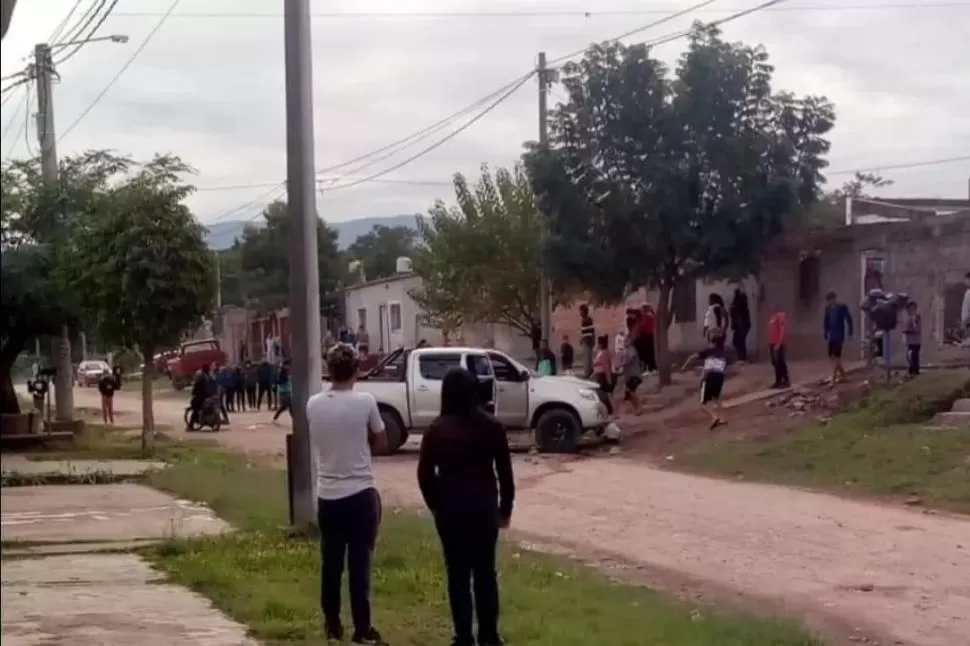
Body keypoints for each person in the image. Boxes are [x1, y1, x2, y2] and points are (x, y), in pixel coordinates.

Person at [417, 367, 515, 646]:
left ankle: (463, 637)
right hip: (484, 507)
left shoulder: (437, 430)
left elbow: (424, 475)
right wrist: (505, 509)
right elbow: (505, 475)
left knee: (457, 574)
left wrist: (436, 504)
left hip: (450, 509)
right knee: (485, 573)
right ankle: (489, 635)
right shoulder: (493, 427)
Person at [308, 344, 388, 645]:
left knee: (330, 562)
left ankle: (332, 624)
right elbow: (381, 443)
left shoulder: (313, 404)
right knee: (359, 565)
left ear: (329, 370)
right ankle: (363, 628)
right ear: (357, 369)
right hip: (360, 492)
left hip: (328, 494)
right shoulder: (365, 402)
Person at [682, 339, 728, 430]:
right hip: (720, 377)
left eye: (710, 343)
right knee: (716, 398)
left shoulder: (708, 351)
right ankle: (723, 418)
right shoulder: (723, 354)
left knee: (702, 405)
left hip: (709, 376)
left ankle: (714, 416)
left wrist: (684, 366)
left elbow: (692, 357)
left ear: (713, 344)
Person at [823, 290, 854, 383]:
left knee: (837, 356)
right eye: (828, 300)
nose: (830, 302)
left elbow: (849, 319)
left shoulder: (842, 307)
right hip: (831, 335)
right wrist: (825, 333)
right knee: (832, 356)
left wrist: (850, 333)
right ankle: (843, 375)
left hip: (839, 334)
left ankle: (833, 377)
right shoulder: (827, 309)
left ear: (834, 299)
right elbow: (825, 322)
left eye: (831, 299)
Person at [767, 303, 790, 389]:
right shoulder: (772, 317)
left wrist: (779, 343)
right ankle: (778, 381)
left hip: (778, 343)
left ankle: (785, 380)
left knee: (780, 362)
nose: (772, 307)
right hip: (771, 343)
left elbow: (782, 330)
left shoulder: (780, 316)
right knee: (775, 363)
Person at [618, 335, 642, 415]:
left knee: (632, 392)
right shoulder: (627, 350)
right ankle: (636, 408)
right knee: (628, 394)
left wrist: (621, 364)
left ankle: (638, 407)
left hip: (634, 374)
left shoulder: (632, 350)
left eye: (626, 340)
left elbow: (629, 360)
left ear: (630, 341)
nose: (625, 342)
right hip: (628, 376)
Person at [592, 334, 614, 415]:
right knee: (602, 393)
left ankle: (609, 410)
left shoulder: (604, 353)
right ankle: (607, 410)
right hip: (599, 374)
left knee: (602, 393)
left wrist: (608, 378)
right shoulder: (600, 352)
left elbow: (606, 366)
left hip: (602, 375)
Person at [729, 288, 751, 363]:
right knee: (739, 341)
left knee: (738, 341)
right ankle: (742, 357)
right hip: (742, 325)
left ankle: (742, 357)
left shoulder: (739, 304)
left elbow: (733, 311)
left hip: (741, 325)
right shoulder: (741, 304)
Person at [634, 303, 657, 374]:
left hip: (646, 336)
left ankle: (649, 367)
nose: (641, 311)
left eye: (642, 309)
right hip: (650, 336)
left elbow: (641, 327)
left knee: (646, 353)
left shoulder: (646, 317)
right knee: (651, 352)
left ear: (644, 310)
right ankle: (652, 367)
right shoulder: (651, 316)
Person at [902, 301, 922, 377]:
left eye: (913, 308)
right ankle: (912, 370)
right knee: (910, 356)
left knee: (914, 356)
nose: (912, 310)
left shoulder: (917, 317)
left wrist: (910, 329)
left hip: (916, 340)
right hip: (910, 340)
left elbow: (917, 328)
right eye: (910, 308)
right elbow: (905, 329)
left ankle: (915, 371)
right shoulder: (908, 318)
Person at [578, 304, 595, 378]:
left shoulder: (586, 320)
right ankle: (589, 371)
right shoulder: (587, 319)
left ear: (584, 311)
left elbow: (589, 331)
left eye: (580, 311)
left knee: (587, 357)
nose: (579, 313)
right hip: (588, 340)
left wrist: (582, 338)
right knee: (587, 357)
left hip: (587, 341)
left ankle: (588, 372)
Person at [962, 271, 970, 343]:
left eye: (966, 279)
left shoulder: (968, 293)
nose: (965, 282)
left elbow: (967, 310)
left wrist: (965, 322)